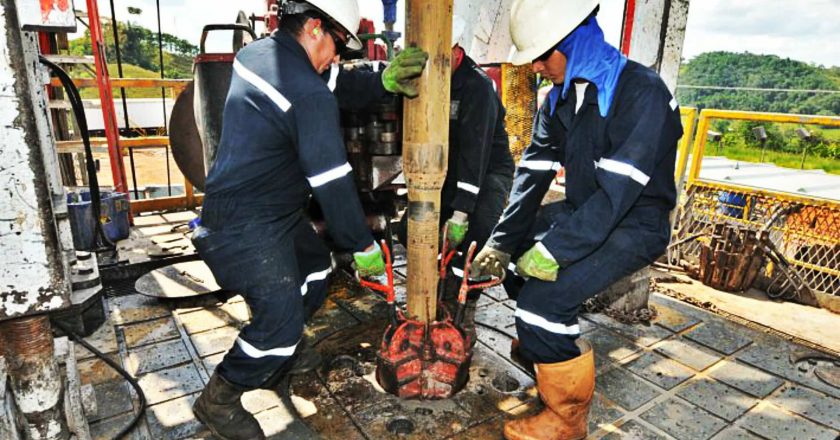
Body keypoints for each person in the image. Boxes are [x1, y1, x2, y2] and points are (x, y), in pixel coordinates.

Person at [190, 1, 427, 438]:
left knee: (317, 268)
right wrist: (364, 247)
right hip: (242, 227)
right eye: (336, 45)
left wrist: (383, 79)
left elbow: (336, 83)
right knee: (277, 320)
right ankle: (220, 398)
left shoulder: (259, 54)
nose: (336, 58)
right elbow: (334, 184)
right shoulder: (307, 93)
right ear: (316, 27)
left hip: (268, 212)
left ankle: (285, 347)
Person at [470, 0, 683, 438]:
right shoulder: (561, 98)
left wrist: (554, 251)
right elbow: (531, 175)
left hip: (634, 223)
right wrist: (501, 242)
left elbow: (616, 196)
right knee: (513, 266)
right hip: (586, 210)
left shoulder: (642, 94)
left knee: (542, 304)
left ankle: (566, 419)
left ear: (573, 44)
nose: (536, 67)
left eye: (542, 56)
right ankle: (548, 350)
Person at [397, 15, 514, 288]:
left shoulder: (478, 88)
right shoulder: (431, 81)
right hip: (451, 170)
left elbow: (475, 154)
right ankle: (441, 272)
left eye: (437, 60)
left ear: (456, 52)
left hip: (487, 175)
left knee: (472, 244)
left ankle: (465, 298)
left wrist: (461, 213)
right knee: (408, 232)